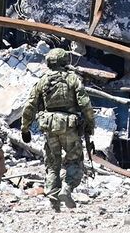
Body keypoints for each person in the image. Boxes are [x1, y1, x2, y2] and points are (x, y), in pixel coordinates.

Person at [20, 48, 95, 210]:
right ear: (64, 61)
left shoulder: (43, 81)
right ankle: (66, 190)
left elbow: (30, 105)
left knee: (53, 163)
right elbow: (85, 104)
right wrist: (90, 124)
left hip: (49, 128)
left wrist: (25, 128)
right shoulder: (73, 79)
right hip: (69, 127)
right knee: (74, 160)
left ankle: (53, 197)